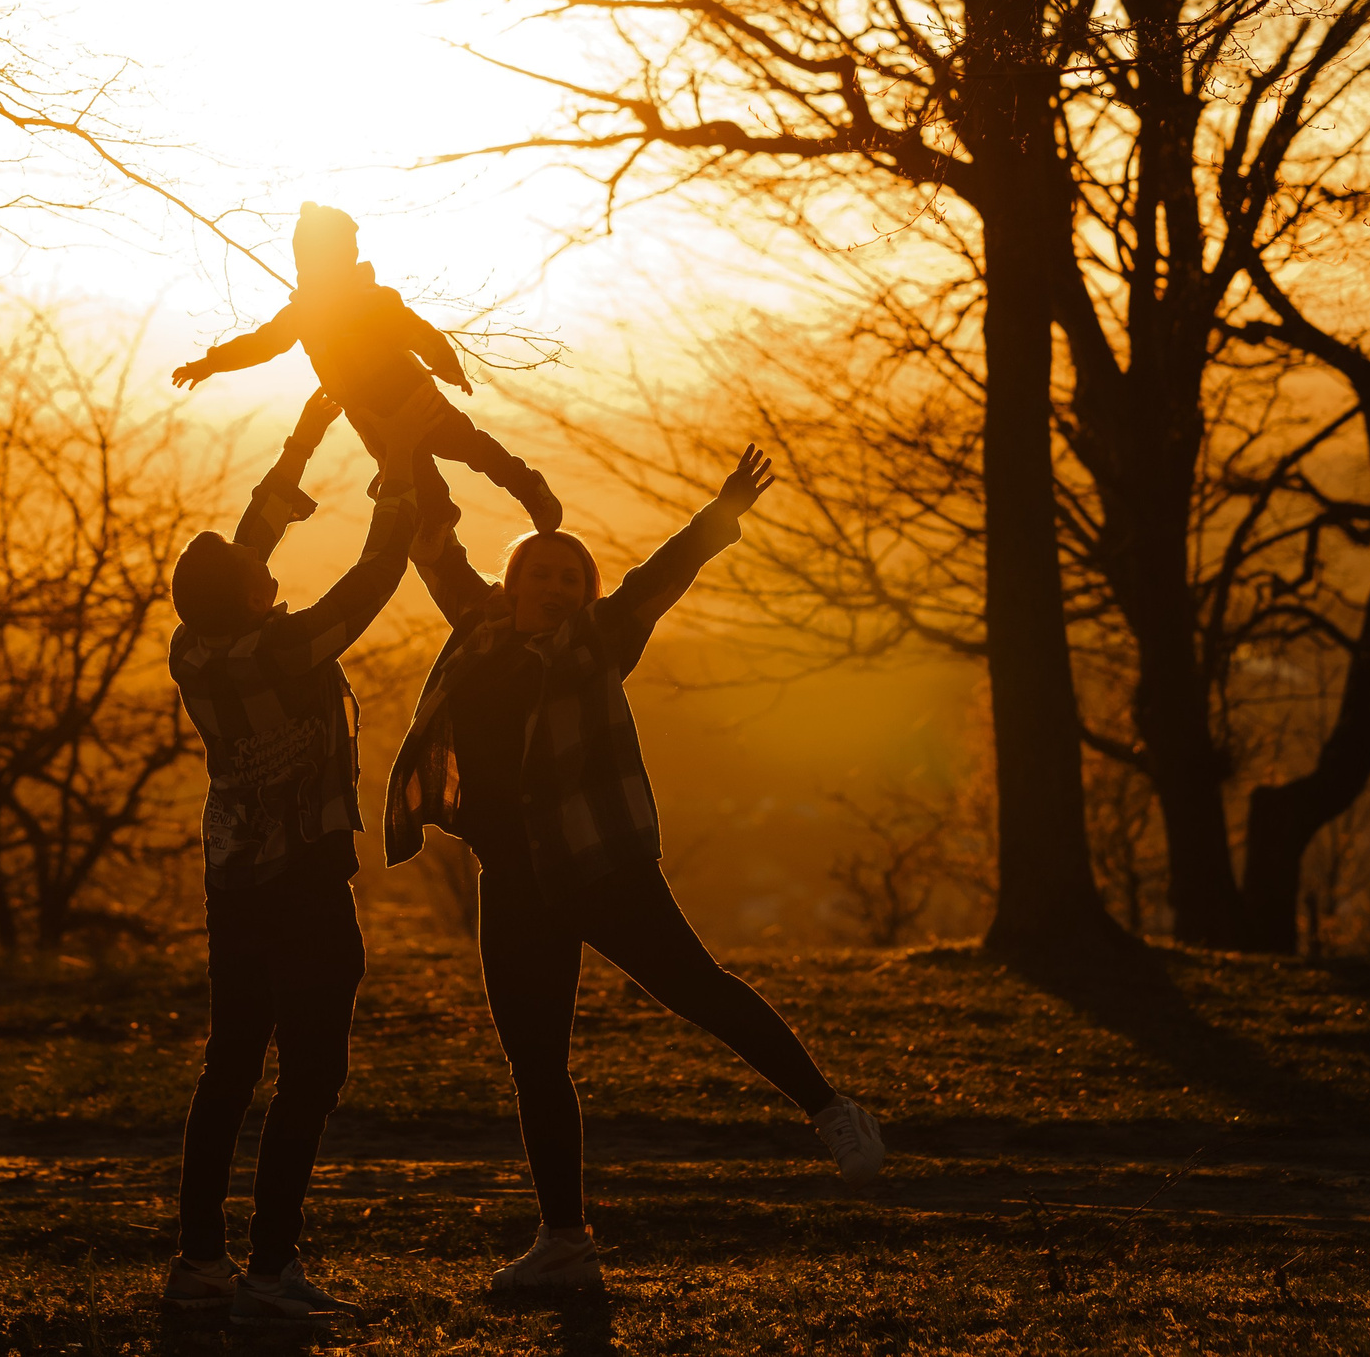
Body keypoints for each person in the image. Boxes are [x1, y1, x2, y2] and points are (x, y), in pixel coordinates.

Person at [384, 446, 886, 1291]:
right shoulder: (478, 627)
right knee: (536, 1061)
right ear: (513, 583)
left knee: (699, 988)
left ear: (583, 596)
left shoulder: (601, 638)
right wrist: (393, 435)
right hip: (512, 876)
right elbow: (435, 547)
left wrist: (722, 512)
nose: (553, 587)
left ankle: (832, 1110)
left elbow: (664, 574)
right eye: (538, 573)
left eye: (569, 580)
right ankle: (565, 1241)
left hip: (597, 862)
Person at [158, 393, 429, 1328]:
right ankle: (272, 1273)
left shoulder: (195, 648)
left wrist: (308, 438)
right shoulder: (284, 648)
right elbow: (375, 576)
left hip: (233, 879)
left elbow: (248, 546)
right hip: (305, 880)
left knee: (229, 1066)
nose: (264, 573)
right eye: (255, 576)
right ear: (250, 597)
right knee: (310, 1073)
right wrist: (397, 484)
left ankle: (199, 1259)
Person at [170, 202, 563, 534]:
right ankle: (437, 518)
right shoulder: (303, 314)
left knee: (472, 448)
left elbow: (416, 332)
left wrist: (445, 365)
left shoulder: (370, 300)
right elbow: (262, 344)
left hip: (415, 400)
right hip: (372, 420)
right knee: (415, 480)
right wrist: (212, 362)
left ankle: (527, 485)